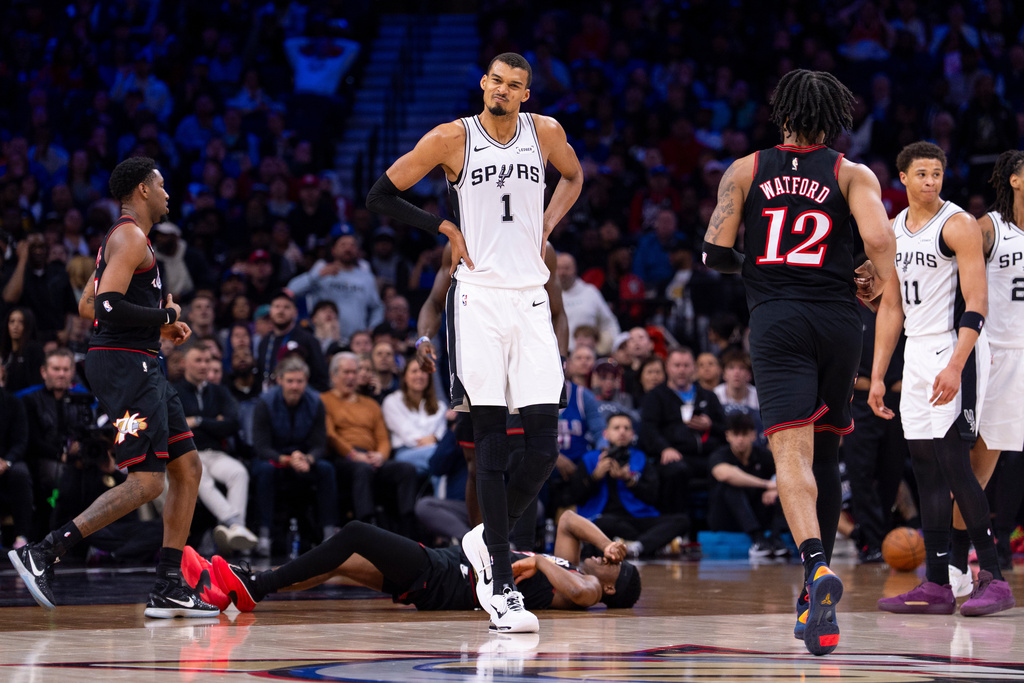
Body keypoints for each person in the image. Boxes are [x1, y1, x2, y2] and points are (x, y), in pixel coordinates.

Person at [367, 52, 583, 633]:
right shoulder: (450, 139)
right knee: (489, 437)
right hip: (479, 298)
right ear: (483, 84)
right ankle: (504, 584)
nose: (504, 91)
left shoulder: (547, 134)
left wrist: (548, 225)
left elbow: (575, 175)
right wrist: (443, 227)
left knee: (542, 445)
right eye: (496, 81)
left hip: (531, 298)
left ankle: (488, 543)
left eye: (515, 85)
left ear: (526, 95)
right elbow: (380, 196)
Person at [702, 70, 897, 655]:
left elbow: (713, 254)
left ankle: (815, 569)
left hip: (778, 320)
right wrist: (873, 278)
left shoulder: (746, 170)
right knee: (830, 447)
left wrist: (760, 267)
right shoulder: (850, 172)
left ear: (781, 113)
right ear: (834, 119)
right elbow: (881, 240)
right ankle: (816, 602)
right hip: (840, 321)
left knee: (792, 450)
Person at [8, 156, 218, 618]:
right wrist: (166, 316)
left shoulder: (130, 242)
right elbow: (104, 306)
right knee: (146, 481)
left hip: (141, 362)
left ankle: (168, 584)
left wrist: (158, 328)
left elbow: (87, 305)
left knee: (188, 469)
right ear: (142, 189)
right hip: (125, 368)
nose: (167, 193)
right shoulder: (128, 235)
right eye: (161, 185)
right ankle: (42, 552)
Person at [871, 141, 1014, 617]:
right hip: (916, 351)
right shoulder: (892, 230)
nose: (931, 181)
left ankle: (991, 575)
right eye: (922, 174)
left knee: (955, 462)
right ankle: (935, 584)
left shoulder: (959, 225)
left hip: (958, 347)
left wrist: (956, 363)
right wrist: (876, 376)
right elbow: (890, 308)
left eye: (937, 174)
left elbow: (977, 302)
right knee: (926, 465)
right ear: (904, 179)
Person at [414, 240, 568, 544]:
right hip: (478, 363)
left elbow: (558, 314)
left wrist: (559, 361)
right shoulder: (460, 244)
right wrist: (422, 339)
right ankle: (480, 547)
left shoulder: (540, 246)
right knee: (478, 464)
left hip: (525, 362)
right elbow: (433, 303)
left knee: (529, 457)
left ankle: (512, 545)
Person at [209, 508, 640, 615]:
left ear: (611, 588)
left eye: (611, 565)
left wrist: (542, 563)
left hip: (447, 577)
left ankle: (256, 586)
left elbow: (580, 592)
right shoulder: (571, 565)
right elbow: (567, 519)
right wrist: (610, 543)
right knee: (343, 561)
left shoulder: (581, 590)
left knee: (357, 532)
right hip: (443, 570)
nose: (602, 559)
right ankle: (249, 588)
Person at [954, 150, 1024, 574]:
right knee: (979, 468)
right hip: (997, 355)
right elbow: (940, 253)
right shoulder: (989, 229)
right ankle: (957, 561)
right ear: (1013, 180)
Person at [172, 344, 257, 553]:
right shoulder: (173, 391)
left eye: (207, 361)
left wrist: (199, 421)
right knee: (201, 478)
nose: (203, 365)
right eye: (198, 360)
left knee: (239, 472)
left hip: (215, 453)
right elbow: (175, 427)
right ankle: (237, 526)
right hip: (187, 454)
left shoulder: (219, 391)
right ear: (184, 363)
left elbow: (231, 424)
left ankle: (234, 531)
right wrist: (214, 423)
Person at [321, 353, 418, 538]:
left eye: (354, 372)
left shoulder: (371, 404)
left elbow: (383, 437)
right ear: (333, 376)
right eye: (346, 372)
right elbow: (330, 435)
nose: (351, 377)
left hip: (371, 456)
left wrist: (381, 455)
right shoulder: (325, 400)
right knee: (362, 470)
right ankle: (368, 530)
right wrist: (353, 454)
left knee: (407, 470)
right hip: (343, 458)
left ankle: (408, 529)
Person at [251, 355, 338, 557]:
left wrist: (307, 459)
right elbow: (261, 447)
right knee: (265, 470)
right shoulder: (265, 403)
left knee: (326, 469)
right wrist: (287, 460)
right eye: (290, 381)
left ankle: (329, 533)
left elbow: (319, 444)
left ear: (306, 382)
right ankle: (264, 535)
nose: (295, 386)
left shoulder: (316, 402)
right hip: (274, 458)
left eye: (299, 381)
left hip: (303, 459)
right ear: (280, 380)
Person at [573, 413, 687, 559]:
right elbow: (575, 496)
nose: (622, 432)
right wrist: (596, 476)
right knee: (605, 523)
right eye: (616, 428)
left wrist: (629, 479)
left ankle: (635, 547)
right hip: (602, 518)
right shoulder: (590, 459)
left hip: (636, 518)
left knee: (681, 520)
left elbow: (653, 496)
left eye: (626, 428)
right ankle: (648, 544)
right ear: (605, 434)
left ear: (632, 434)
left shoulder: (640, 458)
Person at [640, 347, 726, 516]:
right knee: (676, 471)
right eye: (677, 365)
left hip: (709, 455)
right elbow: (648, 429)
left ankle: (717, 529)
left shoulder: (708, 396)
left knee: (727, 470)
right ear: (668, 367)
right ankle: (677, 526)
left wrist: (710, 426)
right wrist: (664, 448)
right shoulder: (655, 396)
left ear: (693, 368)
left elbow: (726, 430)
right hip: (676, 454)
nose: (681, 370)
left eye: (686, 365)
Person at [708, 414, 788, 559]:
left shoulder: (764, 456)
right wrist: (766, 484)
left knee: (781, 493)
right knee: (731, 487)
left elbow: (785, 475)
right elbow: (725, 475)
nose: (740, 440)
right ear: (728, 436)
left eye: (744, 435)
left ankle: (776, 539)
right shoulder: (720, 454)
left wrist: (775, 489)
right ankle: (757, 540)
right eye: (736, 435)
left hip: (757, 512)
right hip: (727, 517)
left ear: (753, 435)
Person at [381, 358, 456, 476]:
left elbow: (440, 434)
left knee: (443, 460)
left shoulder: (439, 406)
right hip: (406, 453)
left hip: (434, 451)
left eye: (423, 371)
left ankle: (443, 494)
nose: (419, 375)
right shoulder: (392, 401)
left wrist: (435, 439)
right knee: (443, 456)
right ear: (405, 376)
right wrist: (432, 440)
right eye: (414, 371)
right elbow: (407, 435)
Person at [255, 290, 329, 393]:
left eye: (286, 307)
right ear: (271, 311)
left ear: (295, 312)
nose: (281, 311)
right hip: (270, 399)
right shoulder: (265, 342)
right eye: (277, 306)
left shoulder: (308, 340)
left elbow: (321, 379)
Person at [556, 252, 620, 354]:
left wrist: (613, 347)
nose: (563, 273)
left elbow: (608, 323)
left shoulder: (590, 292)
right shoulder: (547, 295)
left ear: (575, 269)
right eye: (559, 268)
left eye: (567, 268)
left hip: (588, 354)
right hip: (559, 354)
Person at [0, 363, 32, 550]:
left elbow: (21, 441)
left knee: (21, 474)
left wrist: (7, 461)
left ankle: (22, 536)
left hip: (8, 461)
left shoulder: (13, 403)